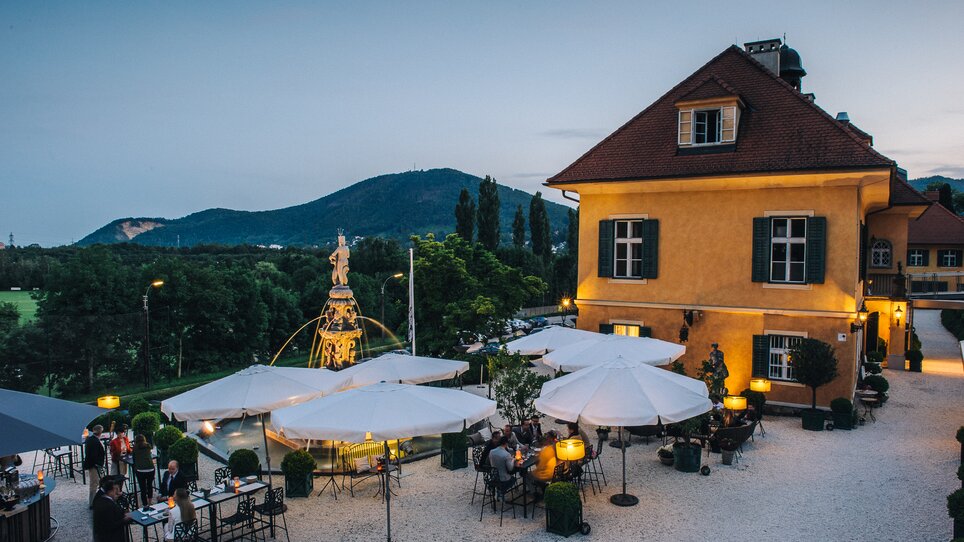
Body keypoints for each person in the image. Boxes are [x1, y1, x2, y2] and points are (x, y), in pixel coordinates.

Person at [92, 476, 131, 542]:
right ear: (110, 491)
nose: (118, 493)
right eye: (116, 490)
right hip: (111, 538)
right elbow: (110, 525)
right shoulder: (108, 505)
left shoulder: (101, 499)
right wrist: (125, 519)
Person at [84, 425, 106, 508]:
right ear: (100, 432)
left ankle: (96, 500)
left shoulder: (90, 439)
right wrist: (98, 464)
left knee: (96, 483)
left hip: (94, 464)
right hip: (94, 465)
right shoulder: (95, 441)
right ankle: (92, 503)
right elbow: (93, 455)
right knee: (94, 483)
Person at [132, 434, 155, 507]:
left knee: (143, 488)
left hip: (140, 470)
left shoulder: (135, 448)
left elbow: (134, 459)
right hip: (150, 468)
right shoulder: (148, 446)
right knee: (149, 486)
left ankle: (145, 504)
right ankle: (150, 502)